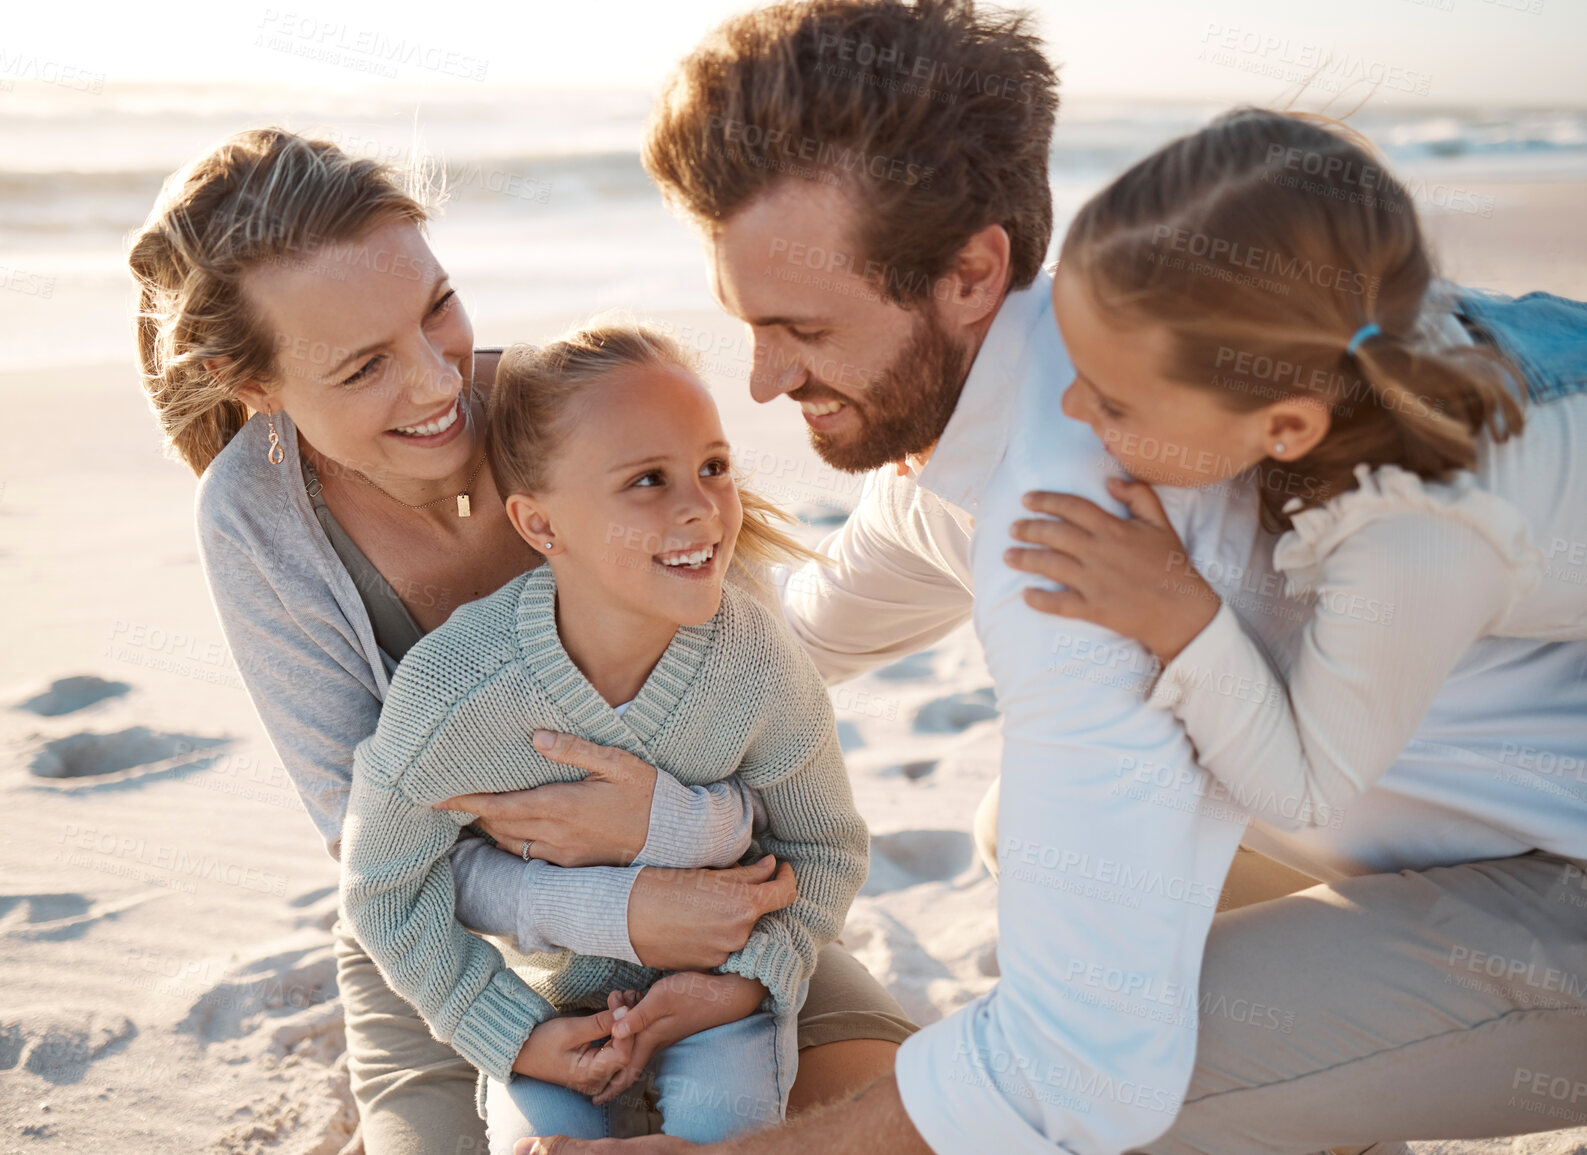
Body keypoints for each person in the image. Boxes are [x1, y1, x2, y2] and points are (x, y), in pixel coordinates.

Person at [516, 1, 1587, 1152]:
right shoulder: (1062, 362)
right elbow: (804, 633)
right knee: (1014, 834)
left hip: (1553, 876)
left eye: (805, 330)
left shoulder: (1084, 531)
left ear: (972, 274)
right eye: (750, 326)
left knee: (1152, 1089)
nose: (768, 382)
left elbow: (1077, 1076)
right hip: (1447, 794)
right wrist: (632, 762)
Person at [127, 127, 917, 1155]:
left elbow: (780, 761)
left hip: (724, 918)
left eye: (436, 310)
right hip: (448, 946)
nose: (432, 382)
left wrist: (673, 840)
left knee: (891, 1122)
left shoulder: (594, 424)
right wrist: (617, 910)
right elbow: (373, 849)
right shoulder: (257, 521)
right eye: (365, 366)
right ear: (256, 386)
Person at [340, 318, 871, 1152]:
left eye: (712, 467)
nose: (700, 507)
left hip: (718, 991)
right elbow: (383, 887)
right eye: (647, 480)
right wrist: (510, 1031)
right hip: (551, 1002)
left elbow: (826, 847)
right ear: (541, 525)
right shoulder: (456, 693)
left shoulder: (756, 663)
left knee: (718, 1134)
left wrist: (739, 985)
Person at [1003, 109, 1587, 868]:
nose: (1071, 409)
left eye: (1112, 402)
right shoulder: (1339, 323)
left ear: (1286, 426)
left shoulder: (1417, 529)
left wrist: (1179, 612)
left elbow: (1308, 791)